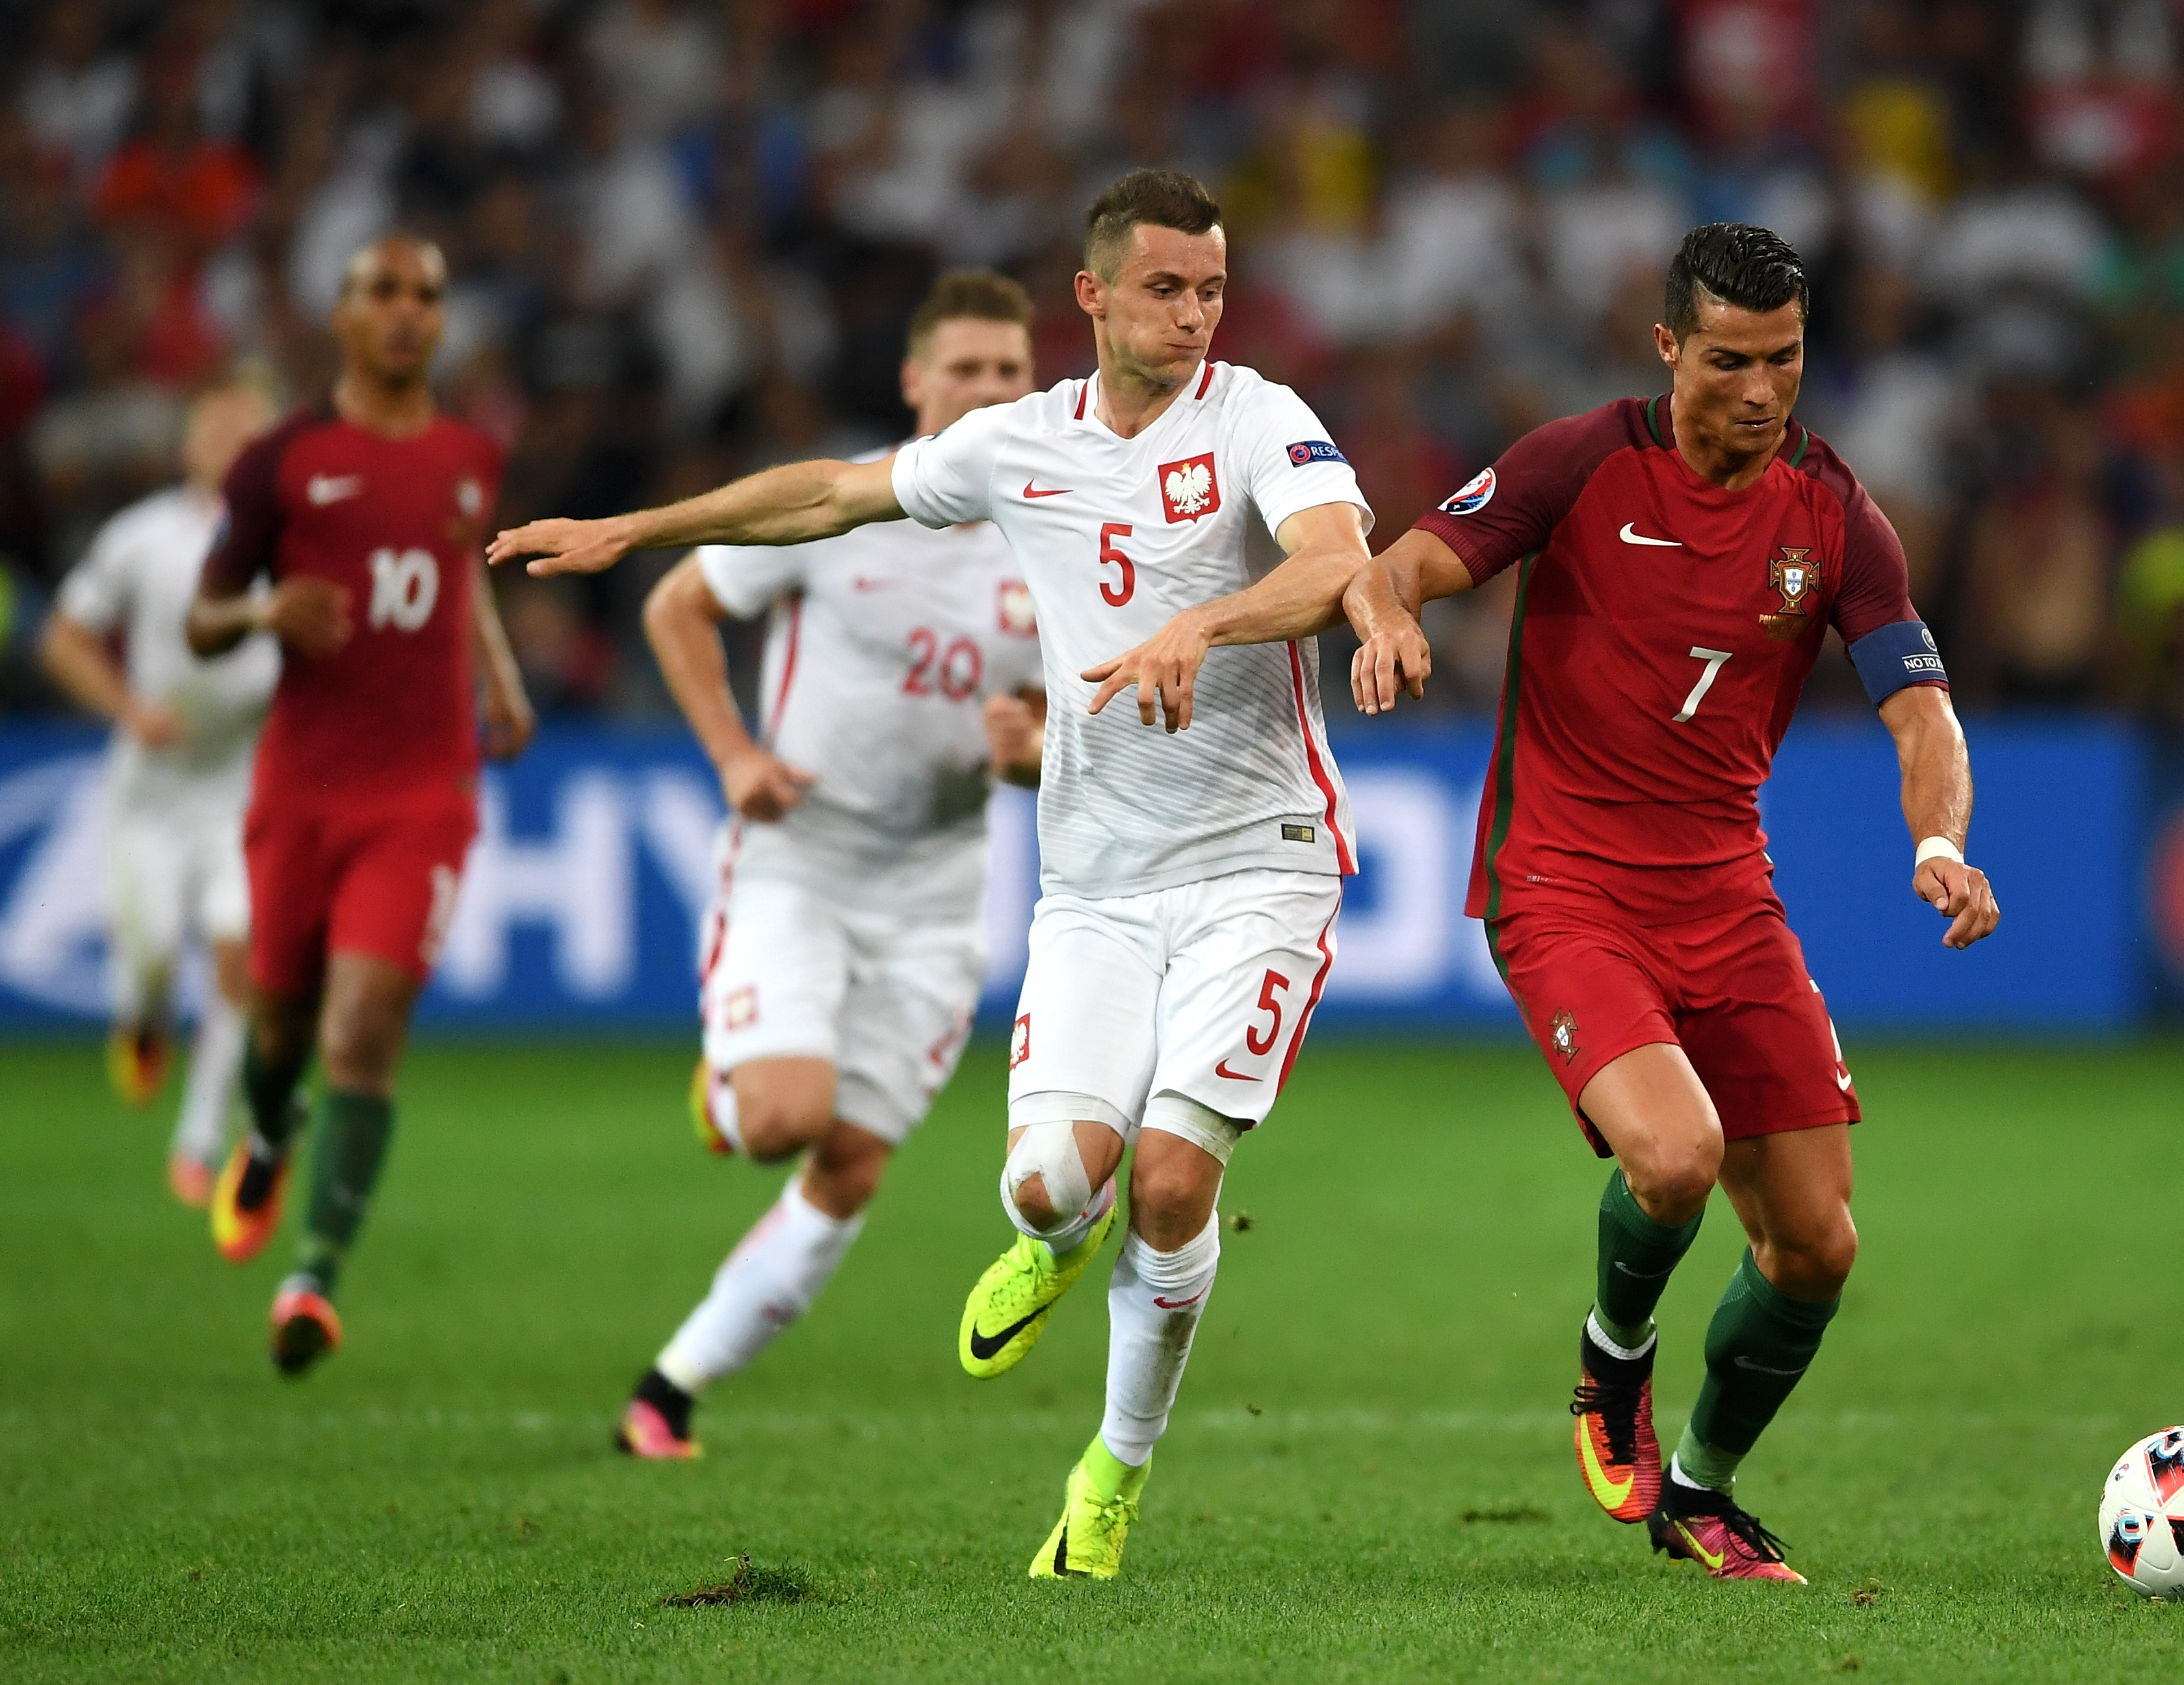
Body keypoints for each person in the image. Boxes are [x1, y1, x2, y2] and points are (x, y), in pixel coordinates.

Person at [491, 168, 1375, 1580]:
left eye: (1213, 287)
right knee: (1043, 1190)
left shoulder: (1260, 414)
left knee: (1165, 1184)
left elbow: (1336, 559)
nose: (1196, 314)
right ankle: (1056, 1235)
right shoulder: (1018, 448)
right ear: (1091, 296)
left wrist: (1200, 629)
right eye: (1166, 287)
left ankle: (1112, 1474)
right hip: (1090, 885)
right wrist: (637, 532)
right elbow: (828, 494)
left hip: (1256, 867)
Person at [1344, 224, 2001, 1583]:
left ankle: (1700, 1489)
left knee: (1817, 1243)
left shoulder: (1834, 512)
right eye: (1730, 361)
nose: (1762, 392)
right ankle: (1612, 1361)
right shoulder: (1579, 462)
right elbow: (1405, 559)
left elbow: (1920, 703)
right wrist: (1391, 615)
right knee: (1676, 1157)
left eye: (1787, 361)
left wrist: (1938, 839)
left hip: (1727, 895)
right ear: (1667, 349)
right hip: (1563, 885)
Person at [615, 271, 1048, 1459]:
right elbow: (676, 606)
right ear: (916, 382)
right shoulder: (846, 505)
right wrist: (733, 753)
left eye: (1009, 372)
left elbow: (1073, 728)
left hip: (940, 892)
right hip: (800, 861)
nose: (987, 390)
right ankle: (729, 1087)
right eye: (964, 369)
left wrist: (1034, 753)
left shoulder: (1051, 534)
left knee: (851, 1164)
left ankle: (670, 1387)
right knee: (783, 1119)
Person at [186, 235, 536, 1376]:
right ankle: (271, 1129)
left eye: (425, 296)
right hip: (302, 786)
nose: (405, 314)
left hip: (424, 788)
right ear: (338, 314)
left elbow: (458, 566)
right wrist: (260, 616)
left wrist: (499, 675)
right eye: (382, 292)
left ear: (441, 320)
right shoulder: (280, 461)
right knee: (280, 1028)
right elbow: (203, 617)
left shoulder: (469, 455)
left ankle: (315, 1275)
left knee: (363, 1025)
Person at [40, 377, 278, 1204]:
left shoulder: (296, 543)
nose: (234, 440)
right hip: (149, 792)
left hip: (241, 788)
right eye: (219, 425)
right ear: (190, 444)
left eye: (252, 427)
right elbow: (64, 638)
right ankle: (142, 1023)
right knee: (148, 958)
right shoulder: (140, 538)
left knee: (237, 955)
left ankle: (200, 1138)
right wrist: (128, 709)